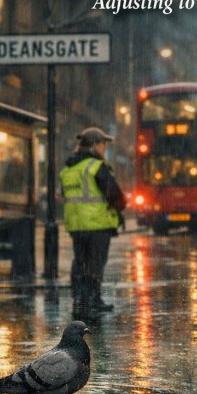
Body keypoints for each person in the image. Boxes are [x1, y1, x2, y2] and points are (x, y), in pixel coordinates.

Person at [60, 127, 126, 314]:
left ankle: (79, 302)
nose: (105, 148)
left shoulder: (68, 169)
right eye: (103, 144)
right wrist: (120, 205)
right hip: (97, 223)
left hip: (76, 224)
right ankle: (93, 301)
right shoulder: (95, 166)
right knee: (96, 263)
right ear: (96, 145)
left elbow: (65, 194)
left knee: (80, 262)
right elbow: (115, 194)